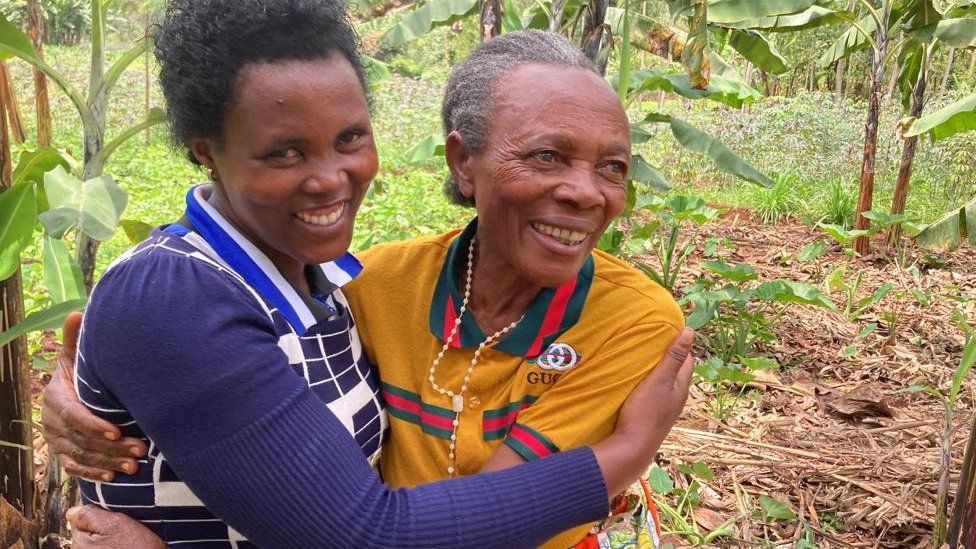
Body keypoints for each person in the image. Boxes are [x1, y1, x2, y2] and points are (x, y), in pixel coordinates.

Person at [40, 2, 692, 548]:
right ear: (207, 150)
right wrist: (623, 457)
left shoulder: (330, 286)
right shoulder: (200, 292)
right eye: (284, 151)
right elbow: (364, 536)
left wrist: (93, 380)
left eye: (350, 138)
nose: (331, 176)